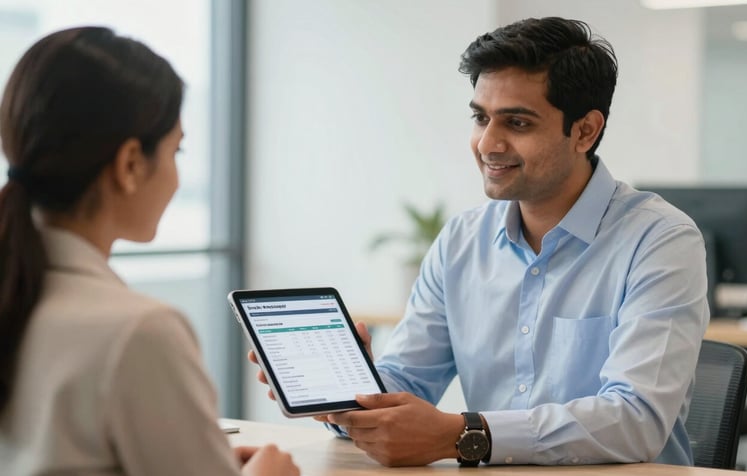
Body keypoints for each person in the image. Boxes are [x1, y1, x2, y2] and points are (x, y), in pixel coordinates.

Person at [252, 17, 709, 467]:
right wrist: (350, 392)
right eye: (480, 118)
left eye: (518, 123)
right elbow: (408, 381)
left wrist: (464, 435)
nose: (487, 144)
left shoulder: (661, 240)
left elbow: (635, 419)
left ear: (585, 130)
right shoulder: (461, 241)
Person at [0, 27, 299, 476]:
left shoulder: (21, 296)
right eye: (176, 150)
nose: (178, 177)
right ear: (130, 164)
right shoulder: (139, 332)